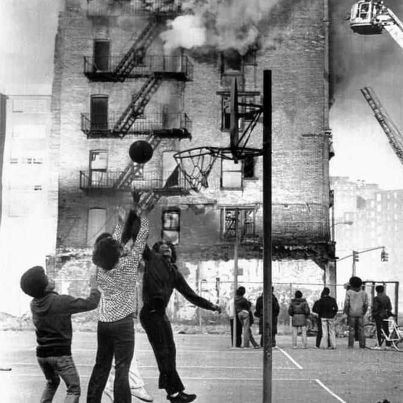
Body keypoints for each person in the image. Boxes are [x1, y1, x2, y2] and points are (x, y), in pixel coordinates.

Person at [140, 240, 221, 403]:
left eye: (169, 246)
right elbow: (139, 239)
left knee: (170, 353)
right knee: (163, 354)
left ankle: (174, 393)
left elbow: (190, 294)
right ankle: (174, 393)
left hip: (160, 314)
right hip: (150, 314)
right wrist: (136, 216)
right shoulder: (151, 260)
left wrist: (211, 305)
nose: (166, 247)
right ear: (155, 252)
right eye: (161, 246)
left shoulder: (174, 272)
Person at [87, 207, 149, 403]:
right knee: (122, 367)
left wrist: (121, 224)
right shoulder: (129, 264)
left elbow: (111, 245)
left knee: (101, 365)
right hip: (122, 324)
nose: (123, 248)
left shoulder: (99, 269)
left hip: (104, 323)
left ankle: (92, 400)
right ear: (117, 254)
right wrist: (143, 217)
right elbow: (141, 239)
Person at [20, 265, 100, 403]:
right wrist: (94, 286)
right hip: (61, 355)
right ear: (44, 286)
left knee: (52, 382)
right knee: (73, 389)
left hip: (42, 356)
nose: (51, 278)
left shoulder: (33, 304)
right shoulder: (61, 301)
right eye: (47, 278)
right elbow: (91, 303)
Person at [343, 276, 368, 349]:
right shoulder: (364, 293)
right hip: (360, 313)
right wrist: (364, 312)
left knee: (351, 329)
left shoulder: (349, 292)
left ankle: (350, 345)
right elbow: (366, 304)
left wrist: (346, 312)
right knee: (361, 329)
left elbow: (346, 304)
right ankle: (362, 345)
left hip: (351, 313)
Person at [372, 285, 393, 349]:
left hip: (378, 316)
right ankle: (388, 345)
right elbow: (390, 308)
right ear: (383, 290)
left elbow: (375, 308)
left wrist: (373, 314)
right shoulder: (387, 297)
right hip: (385, 315)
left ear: (376, 291)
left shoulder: (376, 298)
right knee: (386, 330)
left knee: (379, 330)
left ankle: (379, 345)